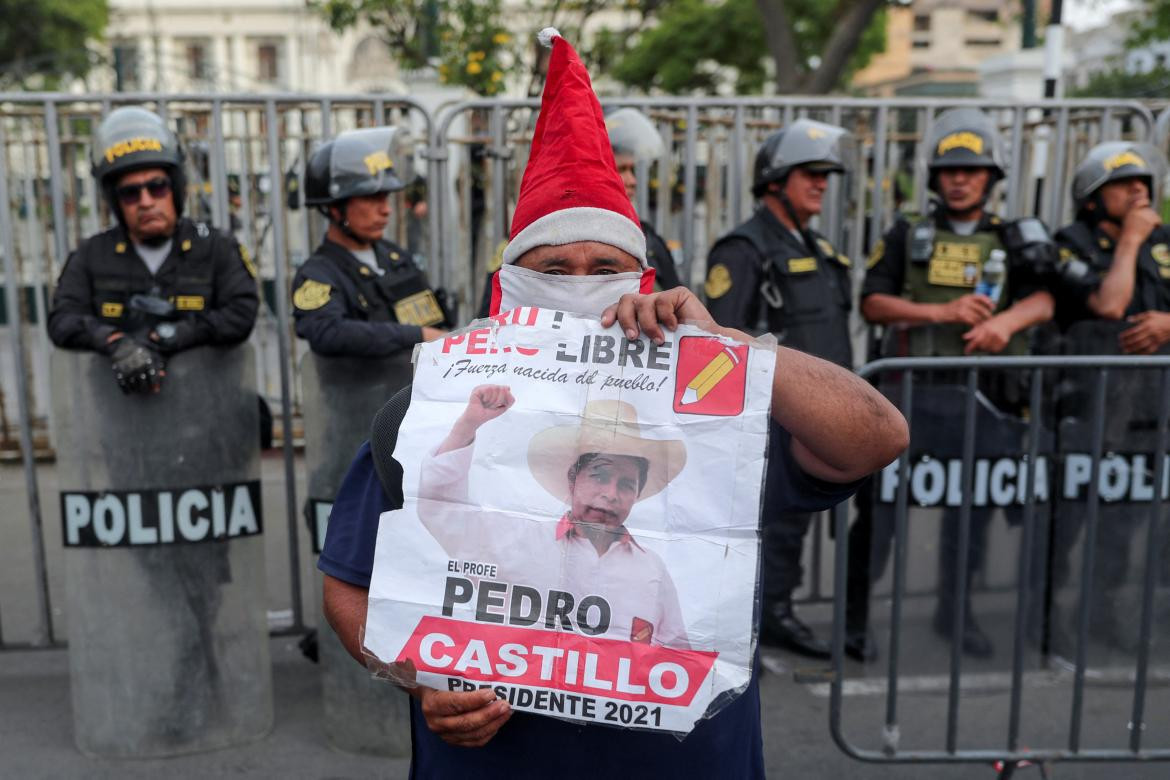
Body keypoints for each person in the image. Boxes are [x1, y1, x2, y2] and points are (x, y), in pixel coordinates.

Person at [319, 29, 907, 777]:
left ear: (644, 276)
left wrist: (728, 347)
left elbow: (877, 435)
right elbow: (348, 580)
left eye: (604, 267)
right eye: (554, 268)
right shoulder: (434, 406)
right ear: (515, 281)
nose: (578, 281)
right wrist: (415, 675)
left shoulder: (713, 403)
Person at [851, 107, 1057, 660]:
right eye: (950, 171)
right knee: (881, 512)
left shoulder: (1015, 236)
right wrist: (942, 313)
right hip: (908, 394)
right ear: (935, 178)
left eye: (973, 170)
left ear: (992, 178)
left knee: (969, 513)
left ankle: (954, 613)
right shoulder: (906, 231)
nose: (961, 179)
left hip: (982, 399)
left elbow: (1046, 297)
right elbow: (873, 301)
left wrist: (1005, 322)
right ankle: (854, 620)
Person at [703, 119, 855, 659]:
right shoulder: (744, 249)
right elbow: (719, 340)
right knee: (760, 529)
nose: (821, 184)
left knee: (792, 528)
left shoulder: (816, 245)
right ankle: (743, 634)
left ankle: (778, 616)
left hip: (813, 416)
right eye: (810, 174)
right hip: (768, 417)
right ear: (775, 180)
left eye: (825, 175)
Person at [417, 388, 690, 649]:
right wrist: (468, 425)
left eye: (626, 485)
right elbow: (441, 510)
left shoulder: (652, 571)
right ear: (573, 479)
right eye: (600, 476)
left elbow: (676, 660)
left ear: (637, 494)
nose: (611, 494)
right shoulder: (518, 541)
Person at [1045, 142, 1170, 651]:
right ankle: (1046, 620)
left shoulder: (1165, 243)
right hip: (1083, 406)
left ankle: (1101, 613)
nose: (1139, 189)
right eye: (1124, 183)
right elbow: (1110, 303)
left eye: (1144, 181)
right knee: (1068, 519)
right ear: (1093, 198)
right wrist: (1132, 242)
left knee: (1124, 516)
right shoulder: (1069, 243)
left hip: (1147, 408)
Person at [48, 106, 259, 394]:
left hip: (209, 407)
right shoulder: (91, 255)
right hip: (118, 415)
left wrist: (171, 335)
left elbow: (241, 313)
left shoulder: (216, 247)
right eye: (130, 193)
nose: (146, 202)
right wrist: (116, 343)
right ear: (116, 201)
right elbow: (62, 320)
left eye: (157, 187)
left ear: (175, 188)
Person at [293, 126, 447, 356]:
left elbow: (434, 322)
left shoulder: (394, 257)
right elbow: (328, 332)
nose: (385, 210)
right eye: (371, 198)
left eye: (385, 197)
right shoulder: (317, 274)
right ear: (335, 208)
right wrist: (418, 336)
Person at [606, 107, 683, 291]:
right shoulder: (577, 237)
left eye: (631, 170)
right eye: (621, 170)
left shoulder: (645, 235)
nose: (632, 181)